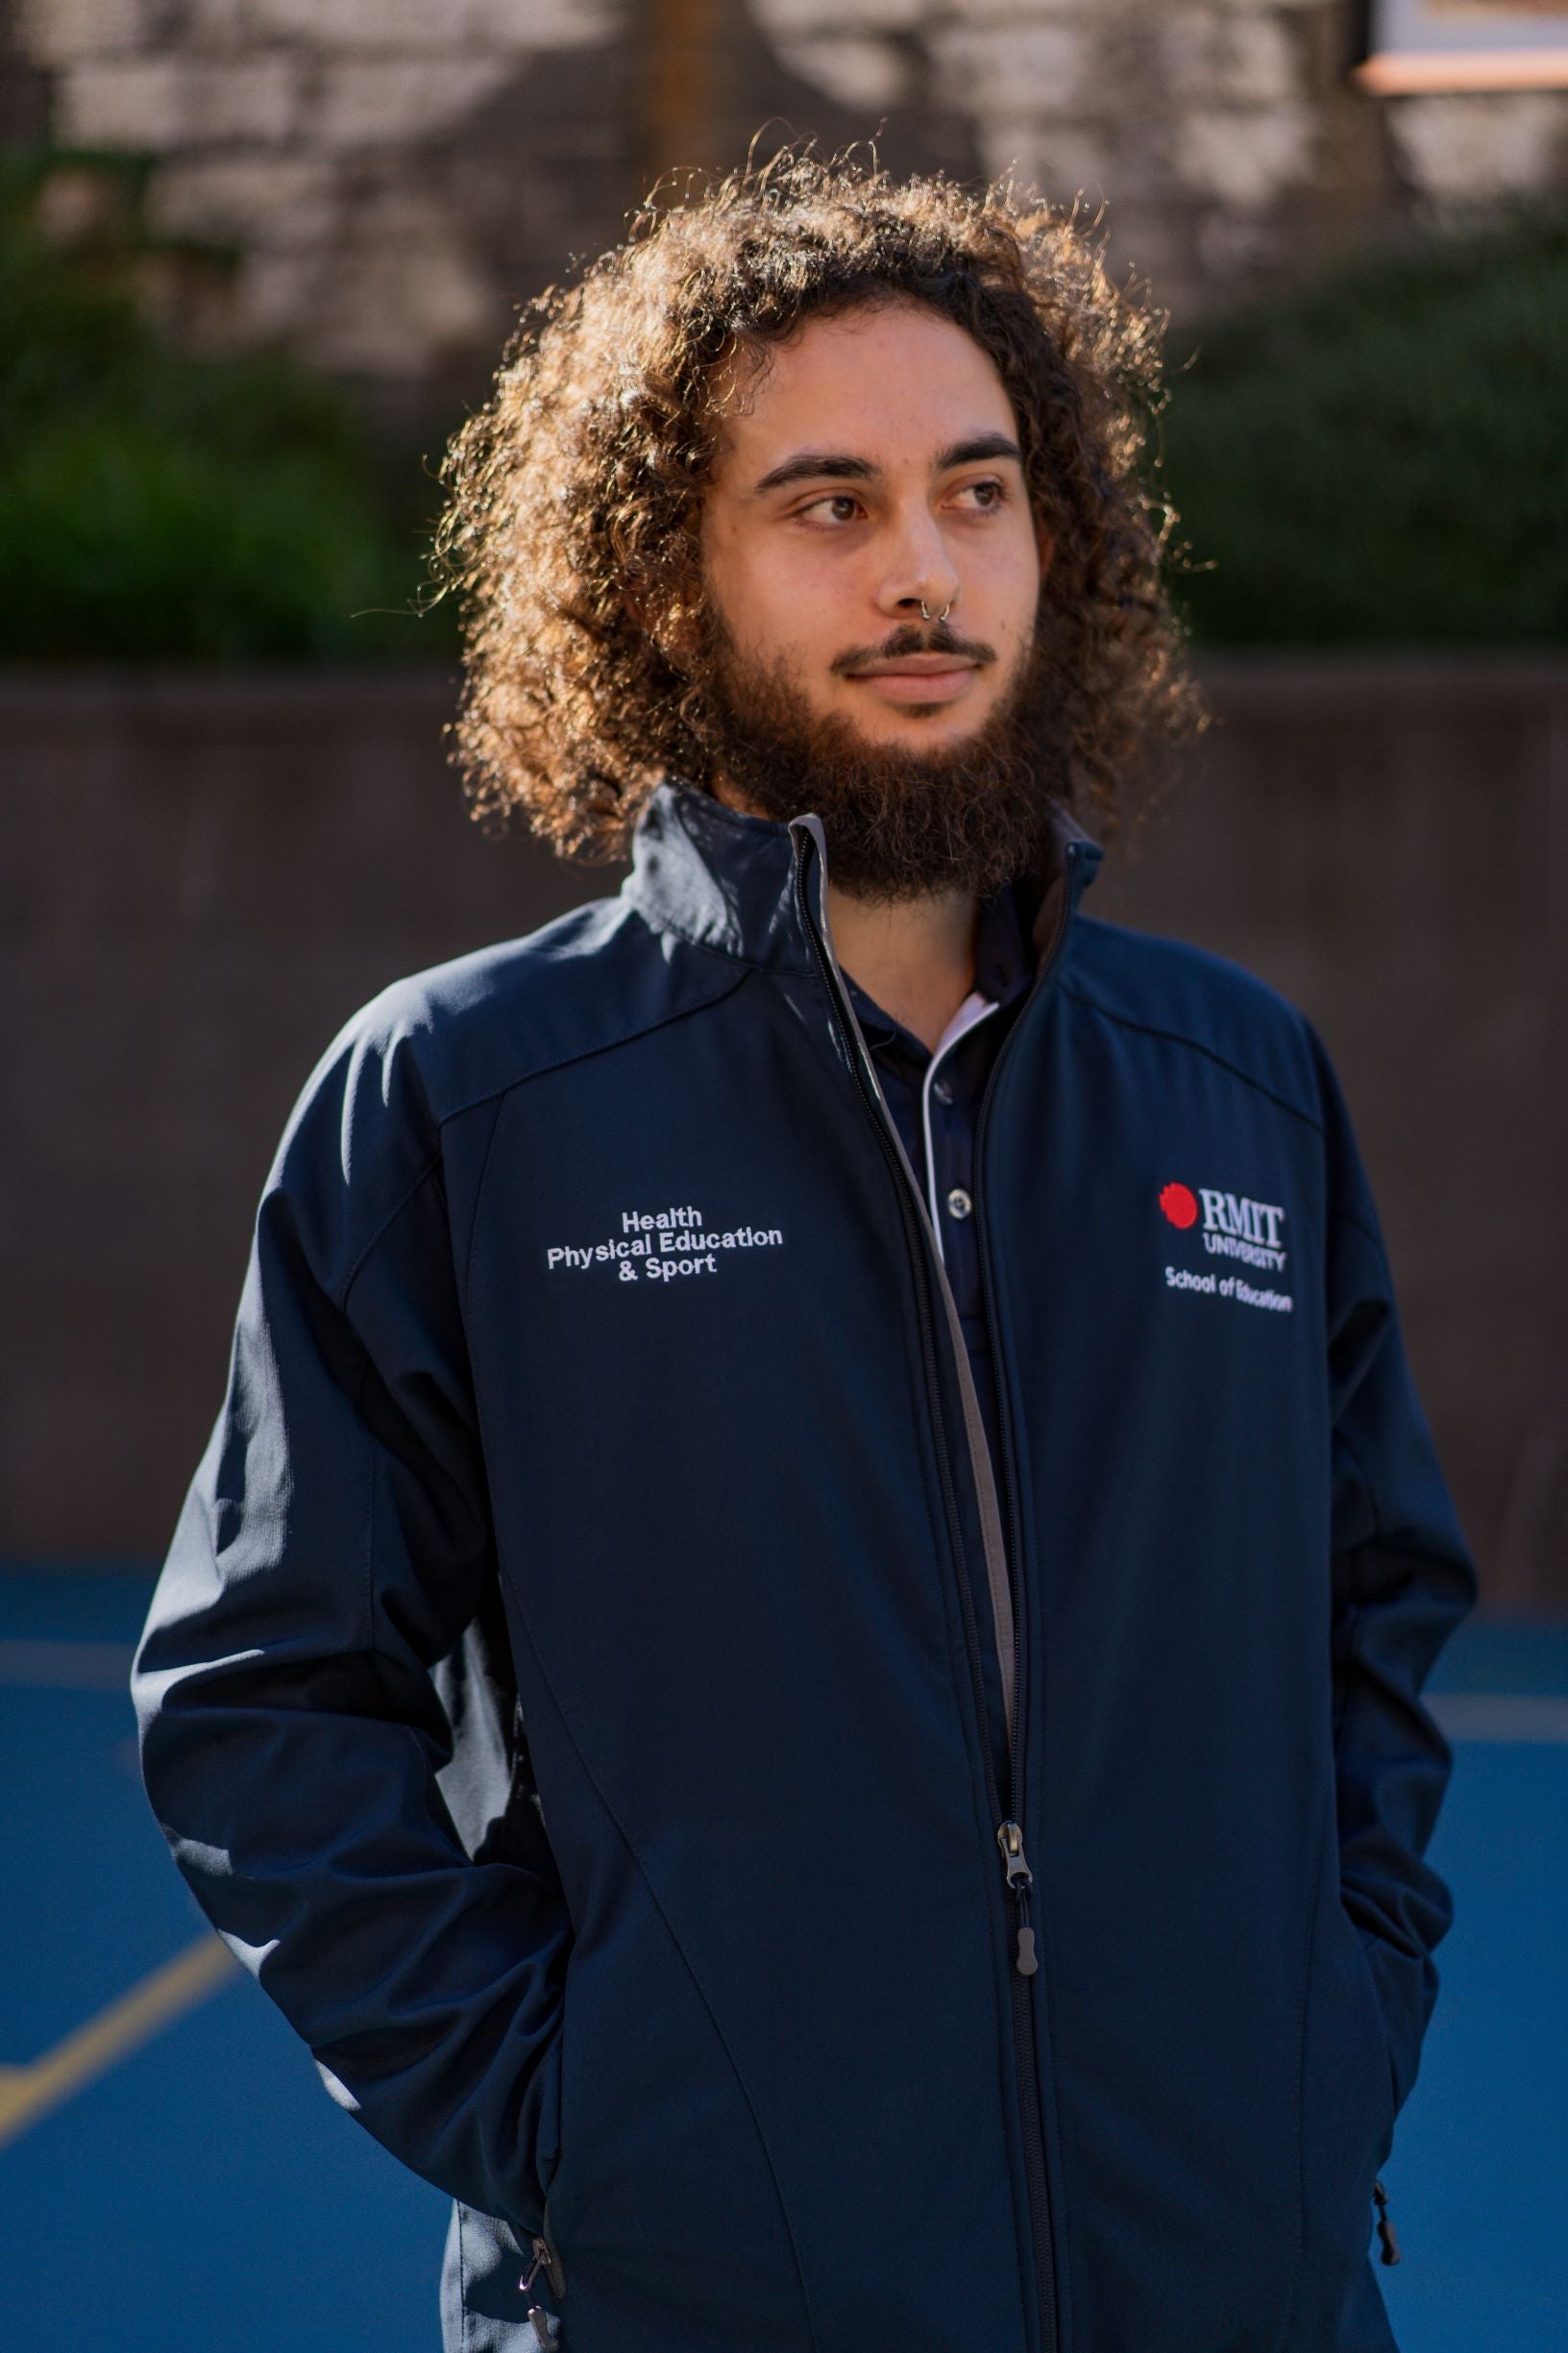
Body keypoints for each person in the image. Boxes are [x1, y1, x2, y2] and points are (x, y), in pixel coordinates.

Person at [132, 153, 1476, 2353]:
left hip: (1236, 2288)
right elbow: (261, 1694)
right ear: (671, 581)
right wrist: (583, 2142)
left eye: (976, 492)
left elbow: (1375, 1608)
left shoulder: (1241, 1084)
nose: (924, 571)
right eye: (828, 505)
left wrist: (1332, 2042)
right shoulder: (467, 1100)